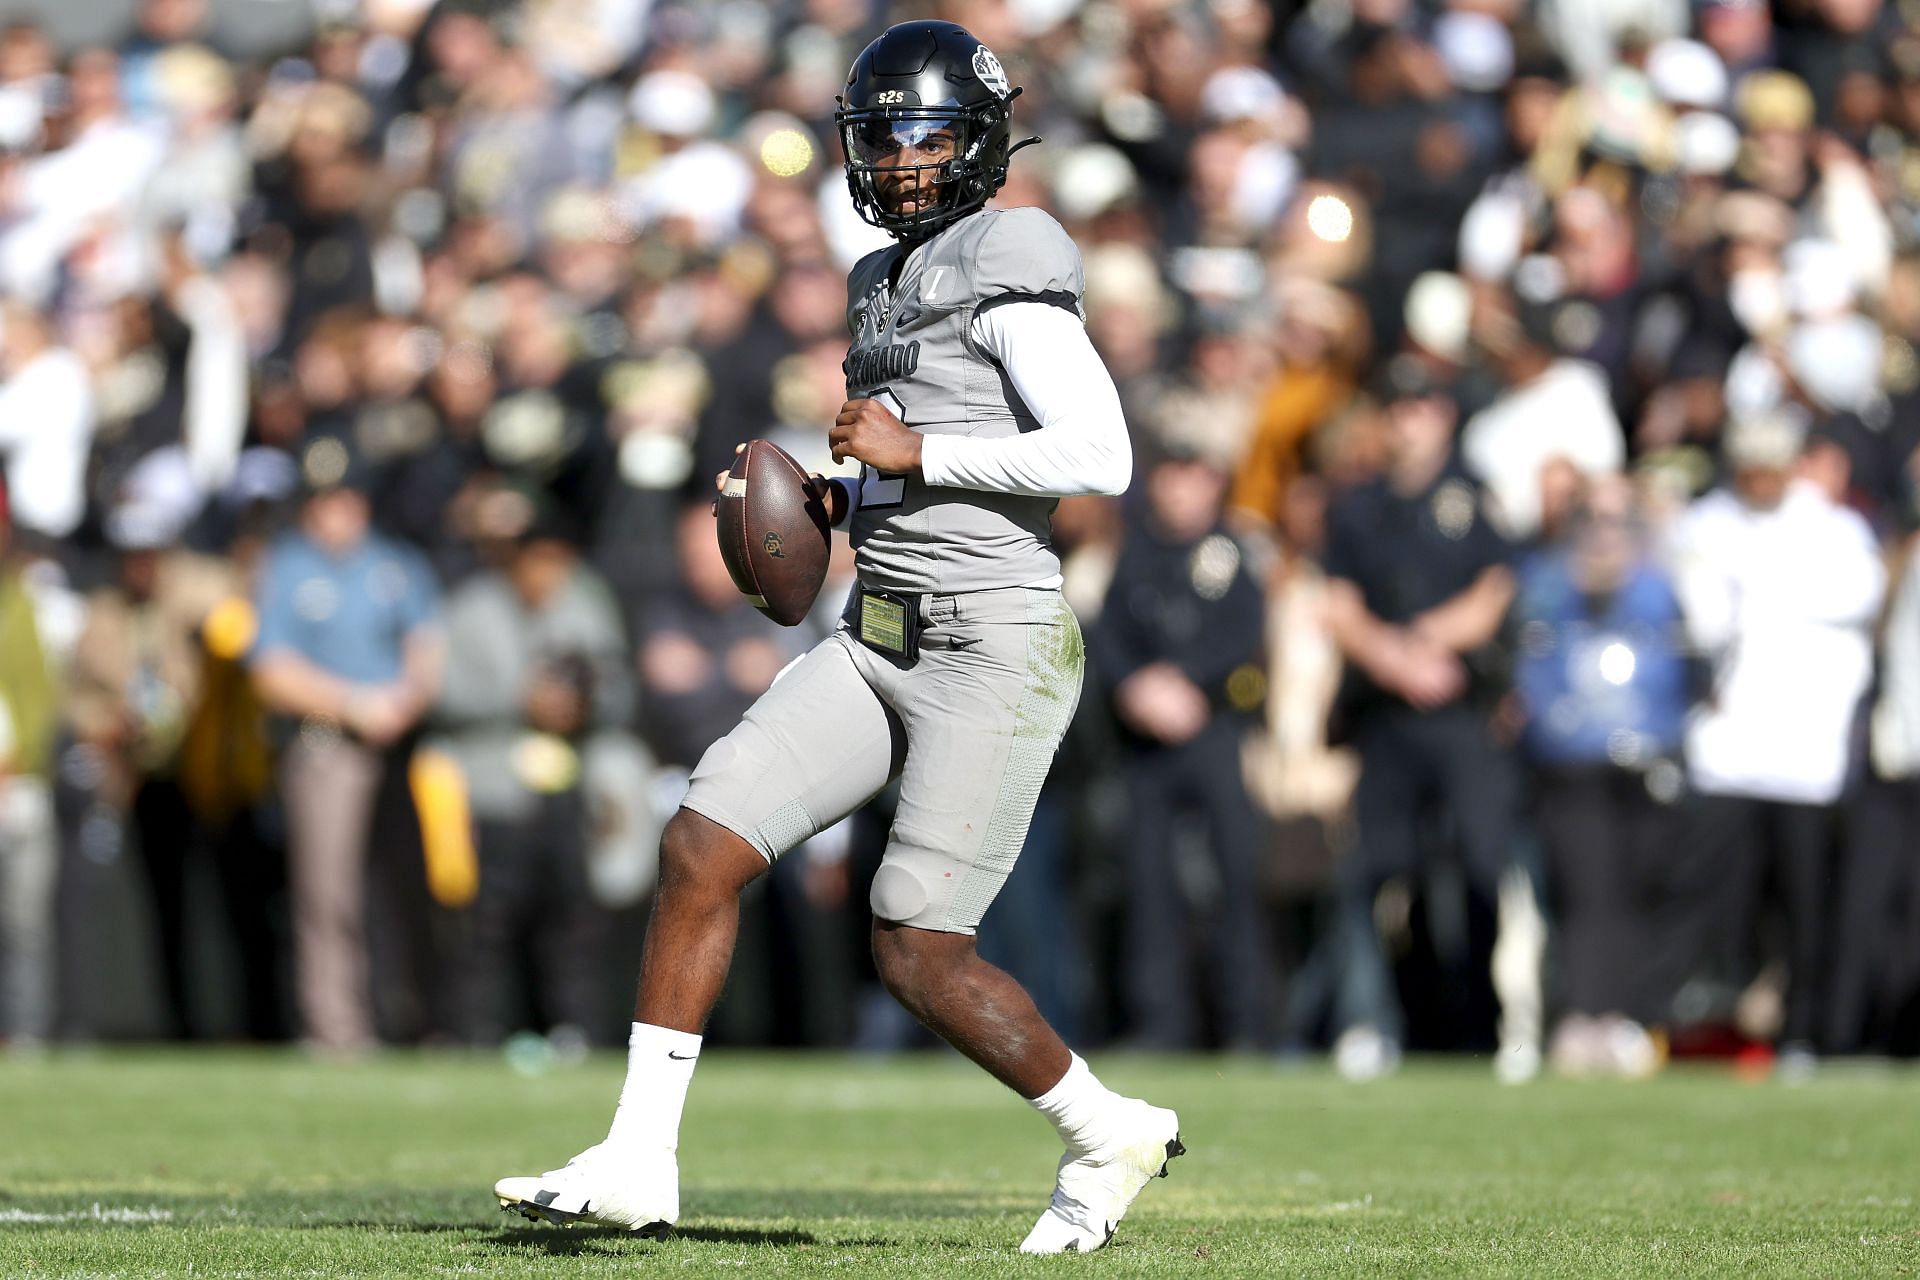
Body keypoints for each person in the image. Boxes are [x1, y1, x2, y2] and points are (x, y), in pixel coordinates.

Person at [495, 22, 1177, 1255]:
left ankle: (1103, 1127)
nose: (901, 159)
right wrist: (829, 504)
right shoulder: (879, 279)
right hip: (879, 629)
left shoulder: (1009, 250)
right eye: (882, 136)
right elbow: (902, 464)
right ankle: (641, 1155)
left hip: (994, 643)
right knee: (704, 837)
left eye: (923, 133)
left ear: (977, 141)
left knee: (916, 945)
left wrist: (917, 454)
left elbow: (1100, 452)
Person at [1320, 359, 1522, 1079]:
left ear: (1443, 415)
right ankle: (1388, 1021)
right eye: (1397, 408)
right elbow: (1339, 607)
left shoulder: (1474, 495)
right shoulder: (1357, 505)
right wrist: (1396, 659)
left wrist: (1426, 642)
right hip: (1388, 715)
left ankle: (1483, 1028)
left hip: (1460, 712)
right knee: (1382, 874)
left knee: (1476, 867)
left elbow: (1493, 594)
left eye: (1421, 408)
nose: (1408, 421)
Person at [249, 437, 443, 1053]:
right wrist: (354, 703)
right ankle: (337, 1026)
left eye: (345, 498)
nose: (335, 511)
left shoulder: (394, 565)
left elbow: (428, 651)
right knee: (327, 895)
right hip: (327, 742)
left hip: (402, 741)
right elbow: (272, 671)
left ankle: (418, 1017)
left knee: (416, 885)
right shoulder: (286, 566)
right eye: (323, 500)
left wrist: (400, 700)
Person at [1095, 438, 1276, 1050]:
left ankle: (1248, 1024)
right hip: (1147, 740)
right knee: (1147, 885)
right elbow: (1111, 636)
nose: (1181, 492)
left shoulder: (1231, 550)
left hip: (1214, 729)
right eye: (1172, 478)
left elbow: (1244, 632)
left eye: (1194, 478)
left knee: (1236, 878)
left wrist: (1185, 681)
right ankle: (1159, 1022)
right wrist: (1137, 687)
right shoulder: (1137, 550)